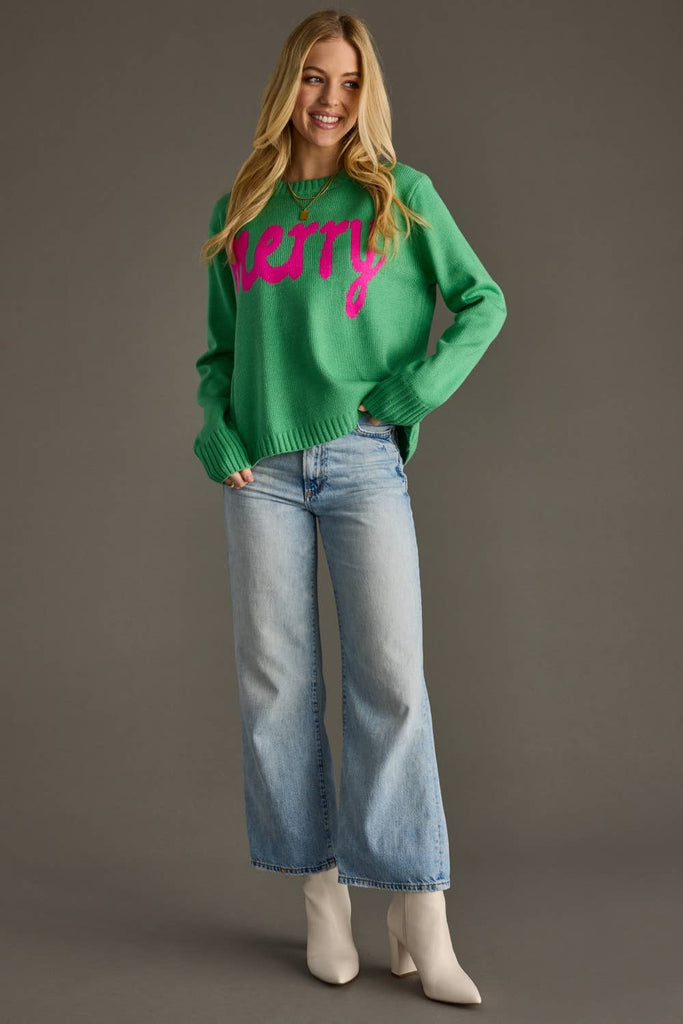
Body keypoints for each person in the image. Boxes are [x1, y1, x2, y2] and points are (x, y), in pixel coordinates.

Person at [193, 8, 506, 1006]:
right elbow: (220, 354)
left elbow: (483, 301)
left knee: (391, 681)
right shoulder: (241, 207)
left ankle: (418, 909)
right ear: (286, 85)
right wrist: (216, 431)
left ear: (366, 92)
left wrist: (415, 393)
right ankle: (320, 893)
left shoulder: (399, 194)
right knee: (275, 686)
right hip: (262, 472)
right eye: (313, 78)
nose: (328, 99)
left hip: (362, 459)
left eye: (347, 81)